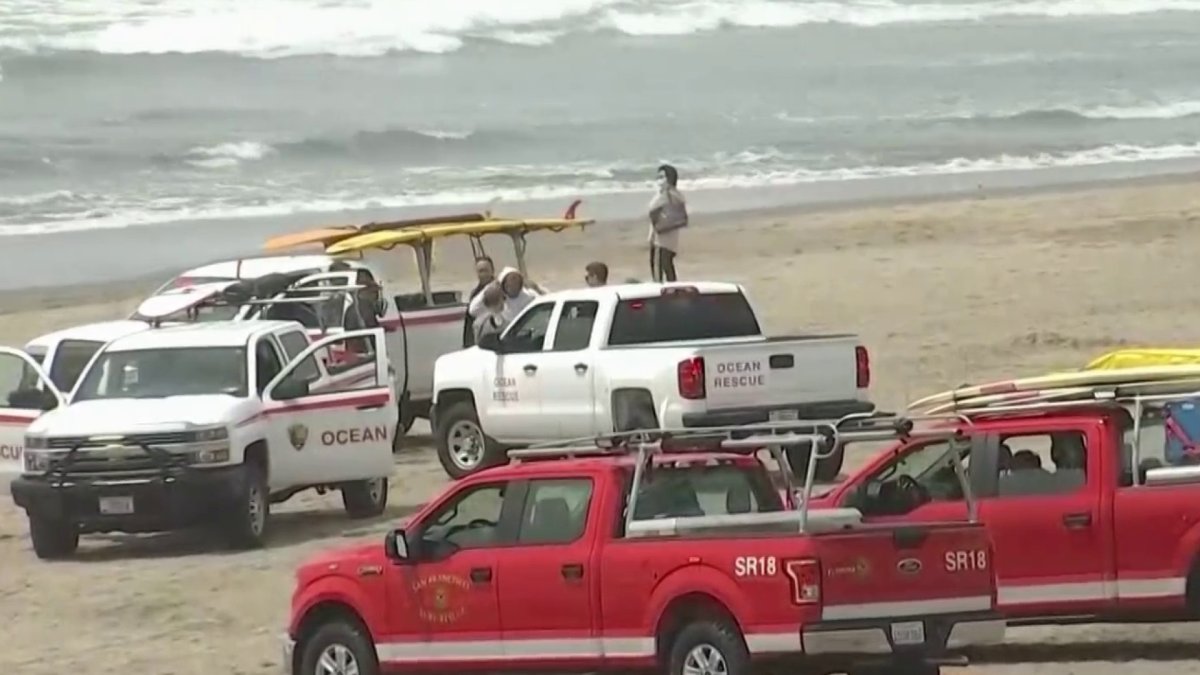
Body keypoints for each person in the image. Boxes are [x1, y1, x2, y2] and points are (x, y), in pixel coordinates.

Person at [468, 266, 544, 329]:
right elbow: (473, 310)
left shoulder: (530, 295)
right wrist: (490, 287)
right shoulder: (498, 301)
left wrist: (537, 289)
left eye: (515, 279)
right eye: (509, 280)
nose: (513, 283)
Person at [647, 163, 687, 282]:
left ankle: (662, 289)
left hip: (662, 239)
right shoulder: (674, 194)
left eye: (662, 177)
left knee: (659, 267)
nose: (660, 180)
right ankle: (671, 287)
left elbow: (653, 209)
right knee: (667, 266)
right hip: (668, 238)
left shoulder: (667, 195)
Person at [462, 256, 495, 347]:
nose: (483, 274)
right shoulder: (475, 294)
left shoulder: (501, 289)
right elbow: (469, 321)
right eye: (480, 271)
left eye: (486, 270)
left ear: (492, 271)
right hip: (479, 338)